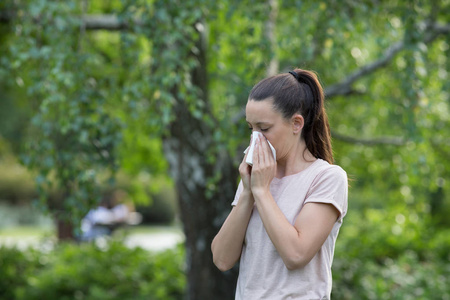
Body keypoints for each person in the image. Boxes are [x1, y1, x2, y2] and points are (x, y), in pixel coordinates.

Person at [211, 68, 348, 299]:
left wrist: (262, 192)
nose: (255, 139)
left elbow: (295, 255)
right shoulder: (256, 179)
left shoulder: (327, 178)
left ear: (296, 124)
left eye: (264, 129)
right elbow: (222, 259)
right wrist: (247, 193)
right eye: (251, 128)